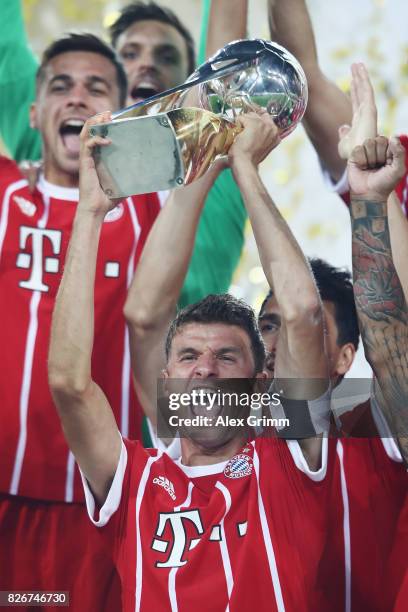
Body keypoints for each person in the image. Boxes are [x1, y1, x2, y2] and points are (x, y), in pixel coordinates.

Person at [49, 109, 338, 611]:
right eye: (188, 357)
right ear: (167, 382)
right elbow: (69, 384)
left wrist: (246, 168)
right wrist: (89, 213)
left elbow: (302, 312)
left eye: (227, 357)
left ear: (261, 381)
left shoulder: (289, 459)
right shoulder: (133, 479)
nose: (204, 369)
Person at [0, 32, 219, 610]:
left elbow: (213, 106)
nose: (76, 99)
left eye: (96, 89)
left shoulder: (148, 209)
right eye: (60, 86)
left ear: (121, 116)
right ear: (33, 111)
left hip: (99, 505)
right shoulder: (5, 195)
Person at [0, 0, 247, 308]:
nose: (146, 64)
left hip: (173, 353)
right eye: (129, 54)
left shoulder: (211, 166)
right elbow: (4, 45)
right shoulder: (58, 146)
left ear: (189, 89)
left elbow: (224, 70)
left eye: (166, 56)